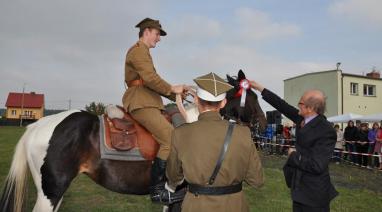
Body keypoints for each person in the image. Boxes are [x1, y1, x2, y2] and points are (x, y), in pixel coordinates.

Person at [166, 73, 264, 212]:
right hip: (234, 206)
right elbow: (257, 180)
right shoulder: (243, 133)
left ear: (196, 101)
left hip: (196, 206)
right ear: (223, 103)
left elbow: (174, 177)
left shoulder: (180, 133)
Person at [122, 17, 186, 203]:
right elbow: (150, 79)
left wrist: (179, 95)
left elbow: (152, 84)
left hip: (148, 100)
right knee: (170, 137)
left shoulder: (143, 52)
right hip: (140, 103)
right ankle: (157, 189)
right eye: (157, 34)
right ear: (147, 31)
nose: (159, 38)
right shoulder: (138, 51)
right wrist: (173, 88)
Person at [250, 80, 338, 212]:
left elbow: (317, 165)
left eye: (301, 103)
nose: (298, 105)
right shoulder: (302, 119)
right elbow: (282, 105)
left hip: (314, 195)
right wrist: (260, 88)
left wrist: (293, 155)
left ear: (310, 108)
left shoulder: (325, 130)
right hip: (299, 189)